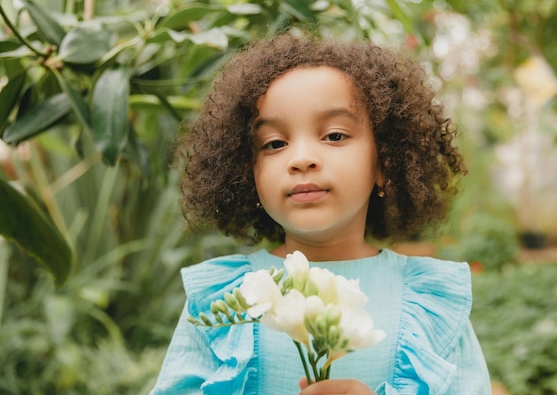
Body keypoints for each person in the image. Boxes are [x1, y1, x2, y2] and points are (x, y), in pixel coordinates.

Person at [149, 31, 491, 395]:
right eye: (275, 144)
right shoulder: (225, 298)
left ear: (385, 161)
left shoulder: (429, 300)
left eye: (334, 136)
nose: (301, 159)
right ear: (246, 172)